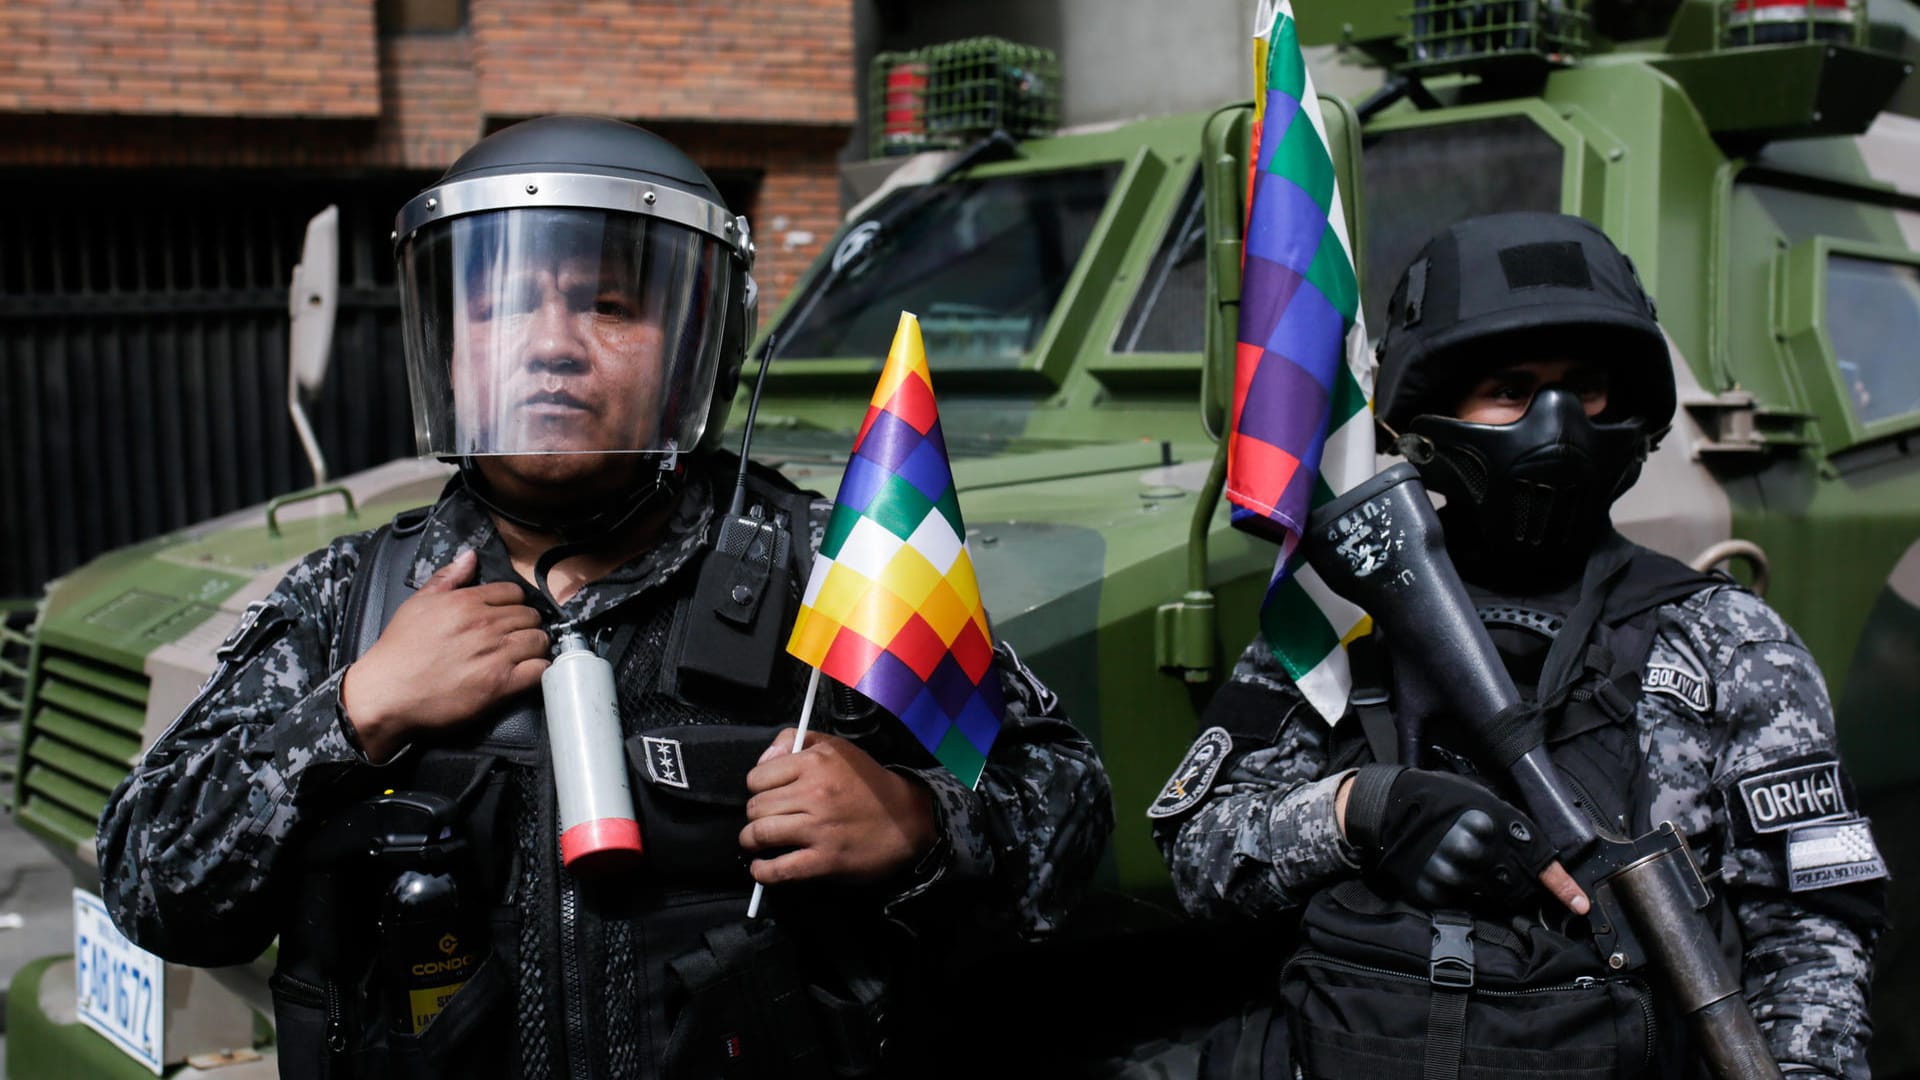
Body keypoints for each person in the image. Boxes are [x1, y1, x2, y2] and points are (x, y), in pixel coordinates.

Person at [97, 116, 1112, 1080]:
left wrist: (920, 824)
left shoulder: (829, 570)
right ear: (446, 338)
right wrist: (356, 711)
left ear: (697, 342)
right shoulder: (348, 601)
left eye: (610, 304)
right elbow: (152, 886)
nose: (550, 344)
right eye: (498, 305)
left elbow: (1068, 815)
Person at [1152, 211, 1885, 1079]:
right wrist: (1361, 809)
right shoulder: (1344, 620)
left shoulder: (1727, 642)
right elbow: (1199, 861)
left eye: (1584, 388)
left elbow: (1812, 934)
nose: (1556, 423)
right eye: (1510, 387)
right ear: (1434, 409)